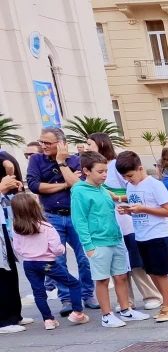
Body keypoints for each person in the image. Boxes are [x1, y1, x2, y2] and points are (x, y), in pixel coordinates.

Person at [71, 152, 148, 328]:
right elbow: (79, 220)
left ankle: (125, 309)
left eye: (105, 171)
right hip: (98, 242)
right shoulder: (79, 191)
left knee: (121, 276)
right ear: (86, 171)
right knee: (102, 279)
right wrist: (88, 245)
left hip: (115, 239)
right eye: (100, 171)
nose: (104, 174)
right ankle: (106, 315)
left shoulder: (103, 189)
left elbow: (113, 202)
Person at [25, 127, 98, 314]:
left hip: (76, 216)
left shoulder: (75, 160)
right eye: (41, 142)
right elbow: (34, 186)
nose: (43, 146)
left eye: (47, 143)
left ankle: (88, 294)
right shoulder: (36, 160)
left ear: (61, 143)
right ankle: (66, 298)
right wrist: (64, 184)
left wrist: (61, 163)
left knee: (84, 257)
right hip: (53, 216)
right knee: (58, 259)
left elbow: (78, 185)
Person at [86, 132, 162, 311]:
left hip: (126, 221)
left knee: (136, 262)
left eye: (90, 144)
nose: (86, 147)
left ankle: (151, 295)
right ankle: (126, 301)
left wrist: (118, 198)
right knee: (118, 265)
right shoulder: (91, 171)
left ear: (101, 144)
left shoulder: (115, 166)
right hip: (109, 224)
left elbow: (133, 188)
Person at [10, 192, 89, 329]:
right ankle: (77, 313)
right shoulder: (46, 227)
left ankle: (48, 320)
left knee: (39, 292)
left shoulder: (17, 228)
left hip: (29, 263)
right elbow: (57, 249)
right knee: (74, 283)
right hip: (47, 263)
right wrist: (62, 250)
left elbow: (17, 248)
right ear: (35, 207)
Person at [117, 151, 168, 323]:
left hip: (158, 235)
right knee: (151, 272)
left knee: (161, 273)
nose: (129, 180)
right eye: (125, 177)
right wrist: (129, 210)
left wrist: (142, 209)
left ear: (140, 168)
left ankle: (167, 306)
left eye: (130, 175)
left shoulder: (155, 185)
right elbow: (138, 211)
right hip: (141, 235)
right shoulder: (130, 187)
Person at [0, 175, 29, 334]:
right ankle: (3, 321)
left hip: (3, 226)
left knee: (10, 272)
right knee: (2, 276)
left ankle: (14, 315)